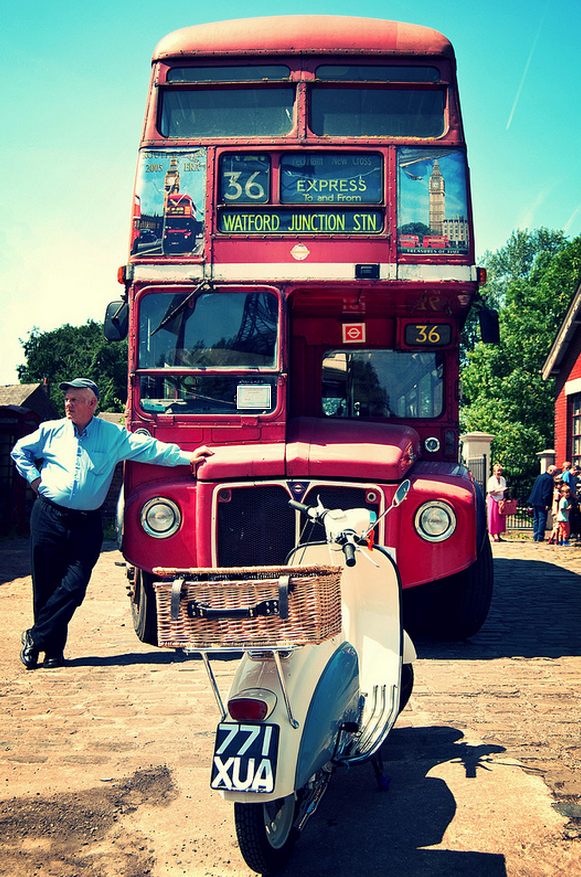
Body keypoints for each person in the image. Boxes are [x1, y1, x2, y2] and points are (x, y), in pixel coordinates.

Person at [11, 378, 213, 670]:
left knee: (74, 586)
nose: (68, 404)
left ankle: (35, 636)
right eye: (67, 399)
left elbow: (150, 449)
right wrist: (34, 479)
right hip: (48, 516)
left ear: (92, 404)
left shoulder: (112, 435)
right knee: (45, 585)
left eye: (75, 400)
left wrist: (188, 457)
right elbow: (20, 451)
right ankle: (51, 651)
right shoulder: (50, 431)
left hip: (86, 524)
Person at [528, 465, 558, 543]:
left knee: (536, 519)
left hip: (535, 500)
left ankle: (536, 535)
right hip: (542, 502)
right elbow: (546, 492)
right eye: (555, 472)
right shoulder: (549, 479)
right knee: (542, 519)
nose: (555, 474)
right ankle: (540, 536)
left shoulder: (540, 476)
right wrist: (547, 503)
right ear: (550, 470)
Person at [486, 462, 507, 542]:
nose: (499, 472)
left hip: (500, 500)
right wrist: (499, 490)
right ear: (494, 471)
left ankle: (498, 534)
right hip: (493, 499)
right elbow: (490, 491)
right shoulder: (491, 480)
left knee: (500, 518)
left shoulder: (503, 479)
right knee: (493, 517)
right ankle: (491, 534)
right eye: (497, 471)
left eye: (500, 471)